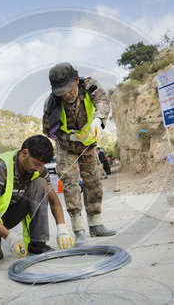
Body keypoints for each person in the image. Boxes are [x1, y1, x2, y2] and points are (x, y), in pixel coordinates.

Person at [0, 135, 74, 261]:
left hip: (9, 214)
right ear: (24, 153)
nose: (39, 168)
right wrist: (10, 237)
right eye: (36, 164)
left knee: (41, 183)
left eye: (41, 165)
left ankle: (36, 244)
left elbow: (54, 199)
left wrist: (62, 227)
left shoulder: (38, 169)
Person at [42, 62, 116, 245]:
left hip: (88, 144)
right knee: (70, 185)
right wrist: (71, 137)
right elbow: (48, 129)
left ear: (76, 80)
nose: (66, 95)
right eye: (61, 92)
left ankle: (96, 224)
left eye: (68, 89)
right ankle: (79, 230)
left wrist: (98, 122)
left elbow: (103, 102)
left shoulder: (90, 86)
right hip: (66, 147)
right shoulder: (51, 103)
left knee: (93, 181)